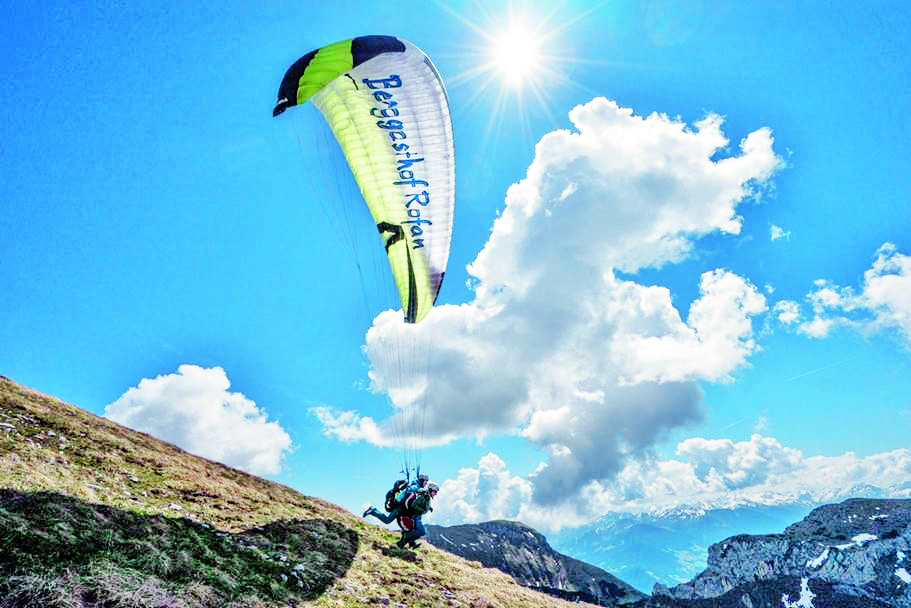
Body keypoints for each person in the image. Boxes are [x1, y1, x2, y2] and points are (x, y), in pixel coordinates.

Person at [363, 474, 429, 524]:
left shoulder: (415, 485)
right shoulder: (415, 487)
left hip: (403, 508)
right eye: (426, 482)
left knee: (412, 522)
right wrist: (421, 491)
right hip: (399, 507)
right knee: (387, 520)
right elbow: (410, 491)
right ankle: (373, 510)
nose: (426, 484)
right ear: (422, 481)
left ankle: (412, 541)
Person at [395, 482, 438, 549]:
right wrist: (422, 510)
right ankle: (406, 535)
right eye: (435, 491)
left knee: (418, 533)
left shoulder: (427, 496)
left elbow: (423, 504)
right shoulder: (423, 496)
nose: (436, 493)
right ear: (430, 490)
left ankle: (401, 544)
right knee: (421, 531)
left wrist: (429, 508)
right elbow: (414, 505)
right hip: (415, 517)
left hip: (417, 516)